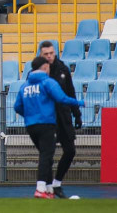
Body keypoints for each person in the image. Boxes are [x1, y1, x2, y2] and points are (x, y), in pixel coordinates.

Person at [14, 56, 84, 199]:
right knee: (46, 155)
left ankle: (48, 189)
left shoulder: (25, 86)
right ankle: (40, 188)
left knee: (46, 155)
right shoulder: (48, 82)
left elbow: (17, 107)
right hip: (46, 124)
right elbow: (62, 98)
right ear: (45, 67)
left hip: (31, 126)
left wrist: (29, 115)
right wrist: (79, 102)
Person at [38, 40, 81, 199]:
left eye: (51, 53)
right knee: (47, 154)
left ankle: (57, 183)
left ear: (55, 52)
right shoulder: (38, 71)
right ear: (41, 55)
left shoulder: (63, 68)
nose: (49, 57)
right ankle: (47, 188)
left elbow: (71, 91)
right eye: (46, 54)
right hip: (47, 118)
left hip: (63, 116)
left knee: (70, 151)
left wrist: (77, 113)